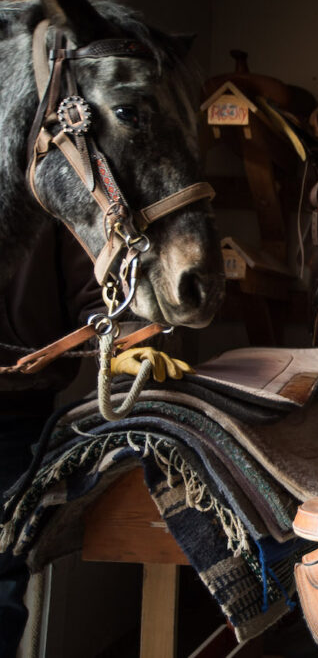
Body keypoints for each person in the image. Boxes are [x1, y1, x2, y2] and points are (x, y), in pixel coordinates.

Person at [0, 221, 103, 658]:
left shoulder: (48, 173)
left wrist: (117, 334)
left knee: (2, 574)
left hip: (14, 412)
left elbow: (97, 288)